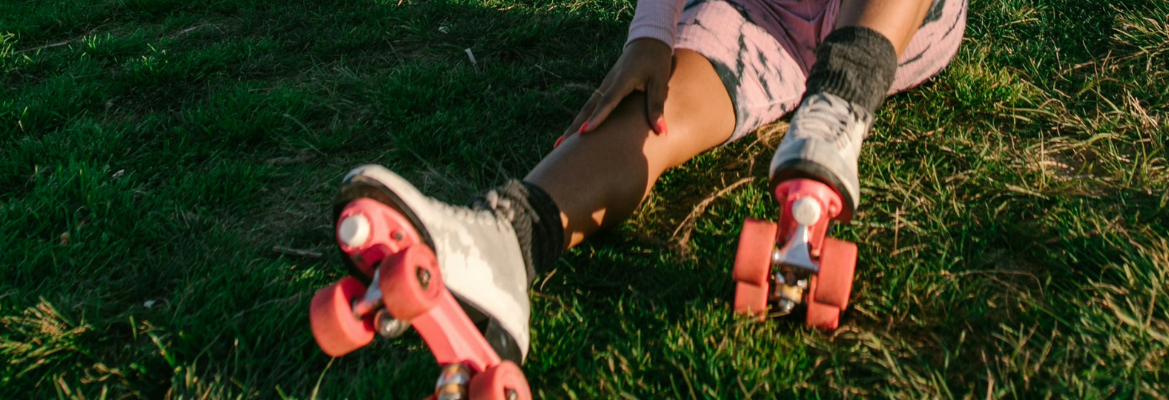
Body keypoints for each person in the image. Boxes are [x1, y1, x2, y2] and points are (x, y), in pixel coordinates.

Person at [333, 0, 969, 363]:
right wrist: (651, 32)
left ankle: (840, 103)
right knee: (649, 106)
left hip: (897, 21)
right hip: (760, 13)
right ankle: (507, 239)